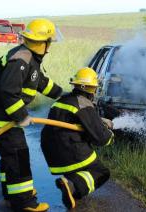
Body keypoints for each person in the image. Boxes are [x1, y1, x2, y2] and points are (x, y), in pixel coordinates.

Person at [0, 19, 63, 211]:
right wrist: (21, 116)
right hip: (0, 115)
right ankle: (24, 202)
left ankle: (12, 192)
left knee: (9, 155)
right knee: (18, 155)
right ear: (42, 43)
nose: (50, 47)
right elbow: (8, 92)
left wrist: (61, 94)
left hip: (0, 113)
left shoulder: (29, 57)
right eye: (49, 42)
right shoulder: (21, 60)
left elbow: (39, 81)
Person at [40, 67, 114, 209]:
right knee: (101, 172)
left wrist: (99, 120)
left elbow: (80, 121)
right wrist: (110, 135)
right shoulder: (84, 104)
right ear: (89, 89)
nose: (94, 92)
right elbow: (101, 139)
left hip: (51, 149)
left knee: (79, 170)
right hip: (69, 148)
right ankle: (72, 185)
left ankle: (70, 191)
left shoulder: (64, 99)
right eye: (94, 88)